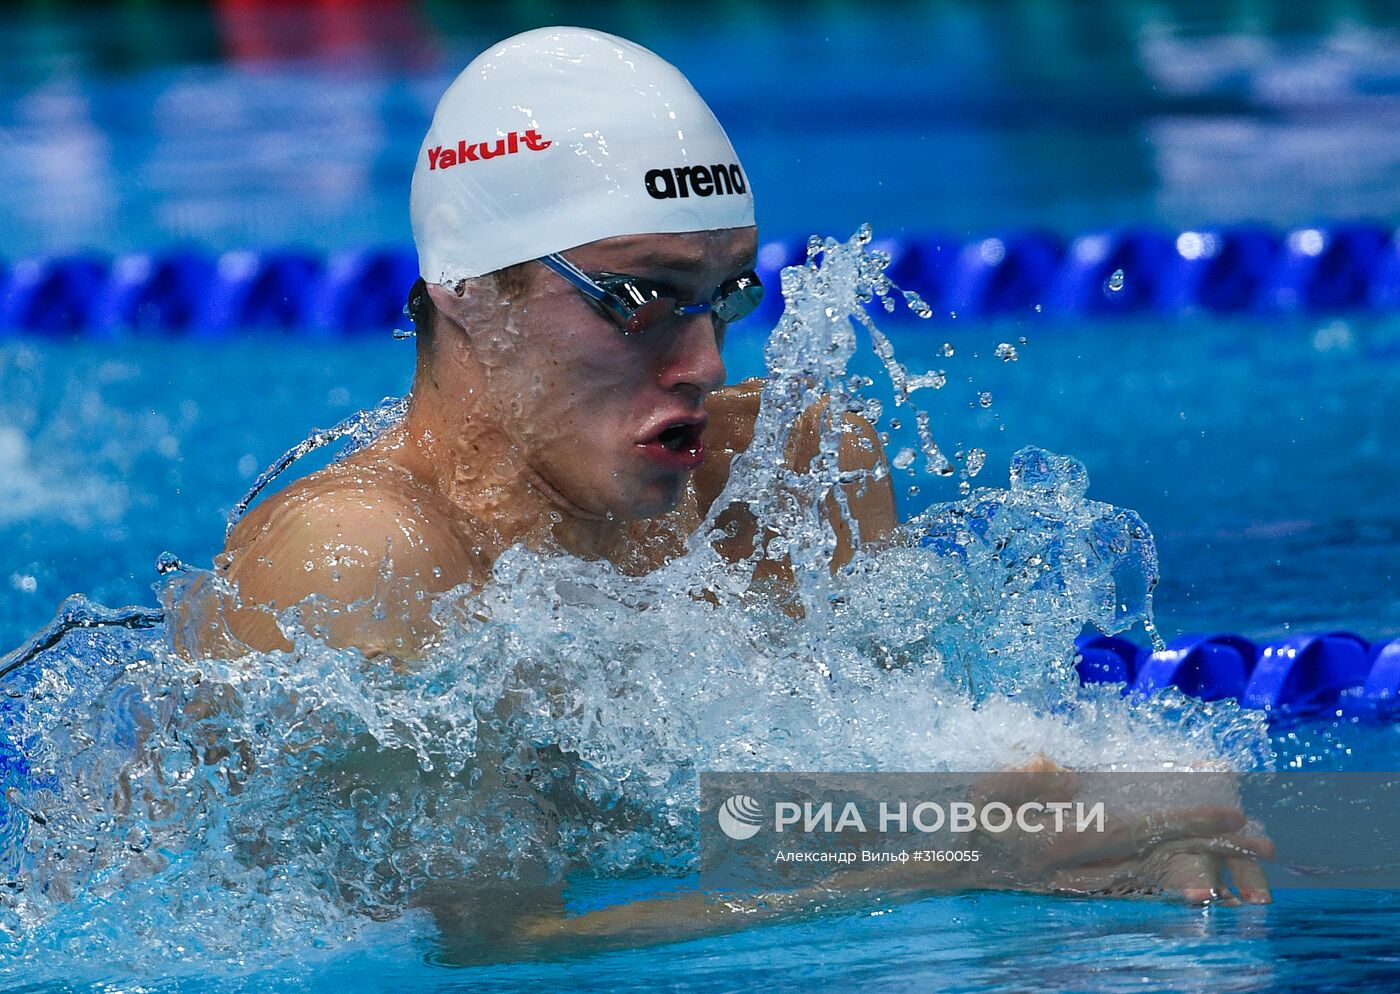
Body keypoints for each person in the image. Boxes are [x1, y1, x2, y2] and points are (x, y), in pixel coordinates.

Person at [199, 27, 1269, 953]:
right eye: (642, 298)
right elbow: (507, 948)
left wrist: (1120, 823)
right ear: (470, 292)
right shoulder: (363, 561)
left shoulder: (791, 473)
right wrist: (965, 849)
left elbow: (830, 807)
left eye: (725, 297)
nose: (705, 363)